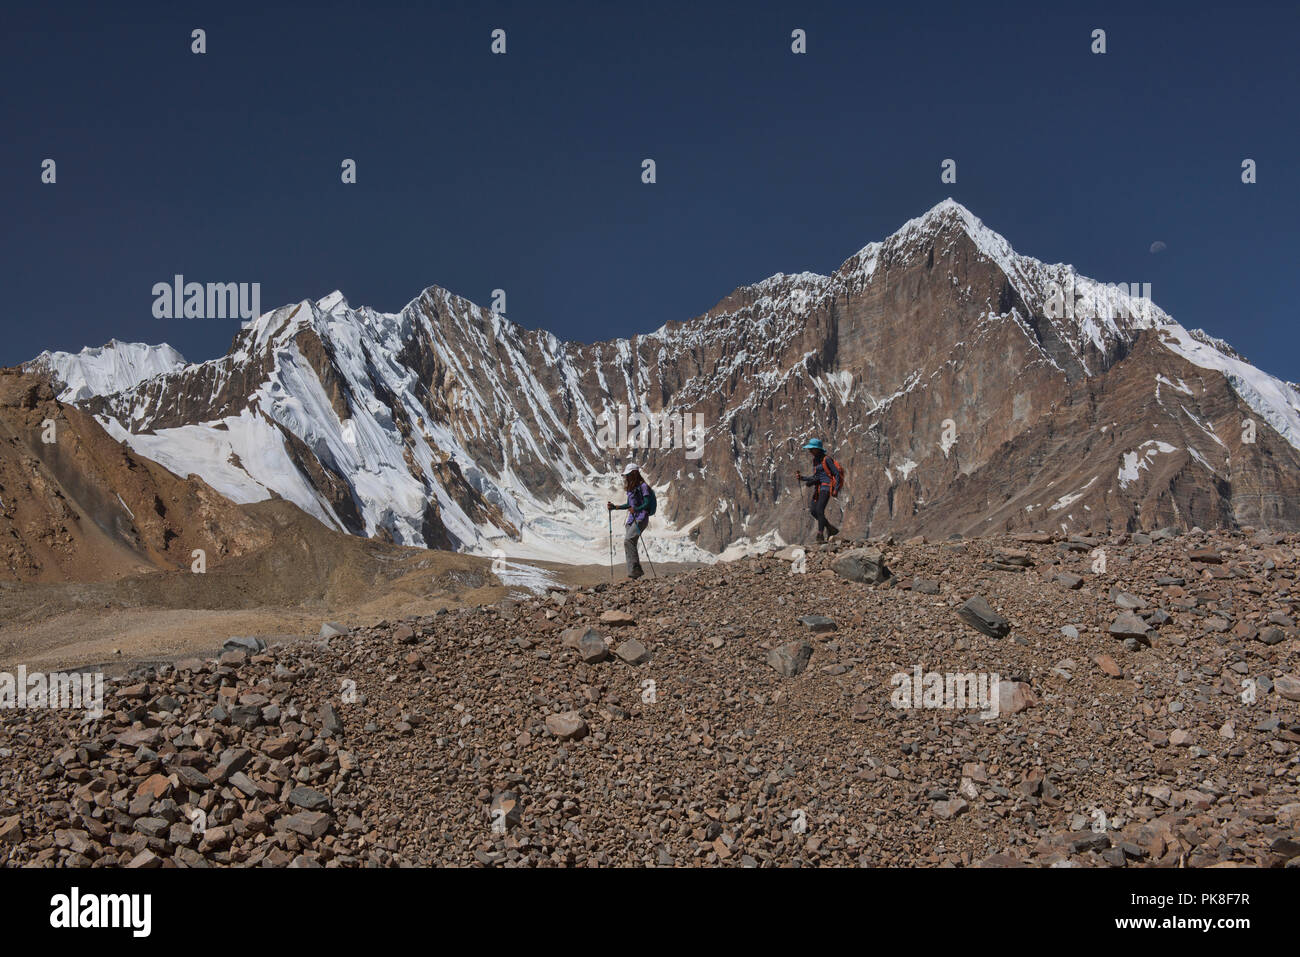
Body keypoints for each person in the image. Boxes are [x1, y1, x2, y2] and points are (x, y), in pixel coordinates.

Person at [607, 464, 651, 579]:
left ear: (634, 474)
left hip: (641, 517)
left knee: (628, 540)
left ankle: (635, 571)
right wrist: (615, 507)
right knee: (630, 543)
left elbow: (647, 503)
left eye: (628, 475)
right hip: (631, 519)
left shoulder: (644, 487)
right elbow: (629, 505)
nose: (626, 477)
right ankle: (634, 573)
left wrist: (636, 509)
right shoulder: (631, 488)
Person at [796, 438, 841, 543]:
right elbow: (816, 476)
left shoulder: (827, 459)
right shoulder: (815, 460)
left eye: (812, 449)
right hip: (819, 488)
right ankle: (830, 528)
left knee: (819, 510)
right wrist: (803, 478)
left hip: (826, 487)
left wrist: (836, 489)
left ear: (817, 449)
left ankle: (820, 535)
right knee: (813, 511)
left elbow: (836, 473)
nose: (810, 451)